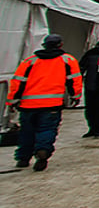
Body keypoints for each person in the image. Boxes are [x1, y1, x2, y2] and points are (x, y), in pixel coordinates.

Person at [6, 34, 82, 171]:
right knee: (47, 129)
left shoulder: (30, 61)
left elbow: (17, 82)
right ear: (60, 44)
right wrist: (75, 96)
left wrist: (12, 101)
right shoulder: (68, 60)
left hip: (28, 105)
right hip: (52, 104)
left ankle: (23, 157)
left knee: (26, 131)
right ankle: (43, 151)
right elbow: (74, 80)